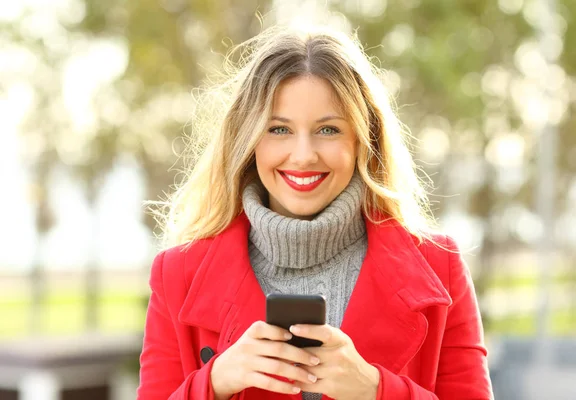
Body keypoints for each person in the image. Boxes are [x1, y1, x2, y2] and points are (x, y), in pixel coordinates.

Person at [137, 24, 493, 400]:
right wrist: (214, 383)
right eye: (278, 129)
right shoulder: (177, 276)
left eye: (327, 130)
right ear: (248, 139)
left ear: (362, 139)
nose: (304, 155)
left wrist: (376, 390)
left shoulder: (440, 269)